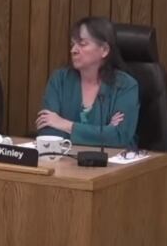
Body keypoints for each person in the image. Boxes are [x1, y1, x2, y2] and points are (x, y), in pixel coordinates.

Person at [36, 16, 139, 148]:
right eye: (73, 44)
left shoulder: (125, 85)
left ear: (104, 50)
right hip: (66, 162)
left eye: (82, 44)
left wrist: (65, 125)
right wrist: (104, 131)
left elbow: (119, 136)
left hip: (112, 163)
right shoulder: (60, 79)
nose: (73, 50)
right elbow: (48, 131)